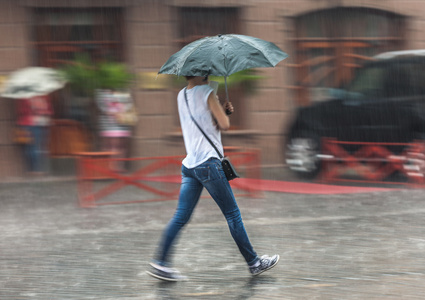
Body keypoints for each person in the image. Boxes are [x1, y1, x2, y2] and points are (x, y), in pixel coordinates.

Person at [147, 76, 279, 281]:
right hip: (209, 163)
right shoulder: (207, 93)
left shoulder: (181, 95)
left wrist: (216, 110)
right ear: (200, 72)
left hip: (190, 165)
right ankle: (254, 263)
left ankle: (161, 263)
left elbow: (204, 125)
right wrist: (223, 111)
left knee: (180, 217)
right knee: (233, 214)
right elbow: (224, 125)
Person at [96, 90, 133, 172]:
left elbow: (129, 104)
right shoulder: (102, 92)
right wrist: (113, 112)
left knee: (121, 146)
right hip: (108, 124)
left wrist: (122, 111)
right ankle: (109, 167)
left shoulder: (123, 91)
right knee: (110, 146)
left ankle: (119, 167)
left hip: (122, 123)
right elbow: (101, 106)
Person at [16, 94, 53, 175]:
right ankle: (36, 169)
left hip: (33, 123)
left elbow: (22, 111)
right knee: (36, 147)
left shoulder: (26, 97)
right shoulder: (43, 96)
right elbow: (49, 110)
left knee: (34, 147)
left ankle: (36, 169)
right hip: (35, 123)